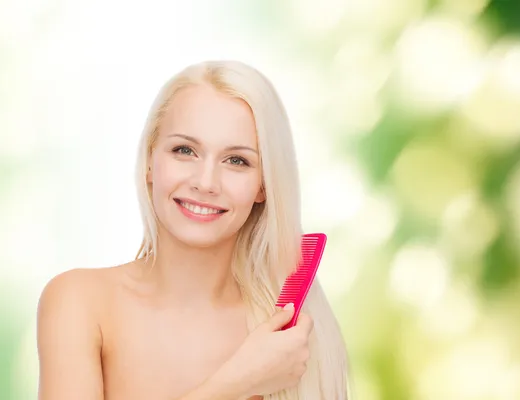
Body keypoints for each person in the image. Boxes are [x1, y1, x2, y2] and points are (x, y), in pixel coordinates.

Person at [36, 60, 349, 400]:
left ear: (263, 185)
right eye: (185, 151)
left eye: (237, 161)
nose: (205, 182)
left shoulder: (292, 336)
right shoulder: (79, 302)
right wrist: (239, 383)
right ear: (150, 163)